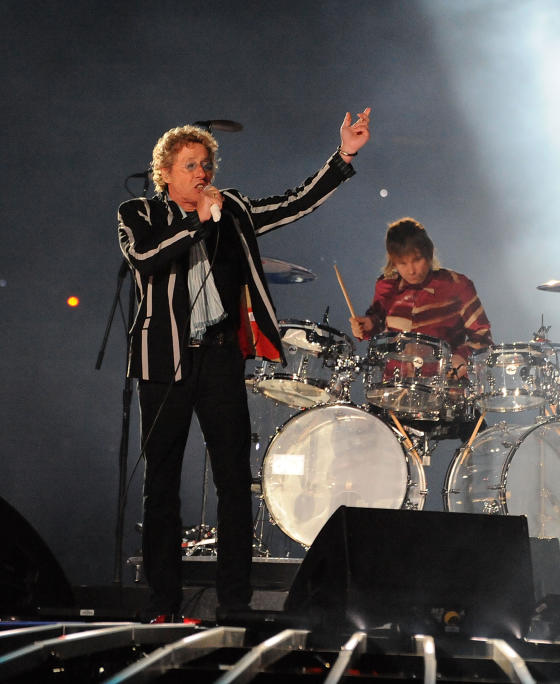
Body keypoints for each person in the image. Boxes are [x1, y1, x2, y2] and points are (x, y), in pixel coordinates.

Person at [118, 108, 371, 621]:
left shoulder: (230, 209)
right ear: (164, 172)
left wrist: (342, 156)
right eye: (190, 164)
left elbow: (294, 203)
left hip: (218, 358)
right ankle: (163, 602)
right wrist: (194, 222)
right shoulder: (138, 214)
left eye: (207, 163)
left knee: (234, 480)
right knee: (160, 484)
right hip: (163, 360)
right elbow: (146, 260)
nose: (202, 173)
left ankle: (234, 601)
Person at [350, 217, 493, 377]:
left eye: (417, 260)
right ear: (393, 262)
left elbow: (482, 334)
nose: (411, 270)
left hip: (445, 388)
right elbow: (378, 323)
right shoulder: (387, 286)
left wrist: (462, 356)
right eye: (402, 263)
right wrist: (367, 326)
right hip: (394, 389)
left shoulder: (457, 285)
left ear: (429, 253)